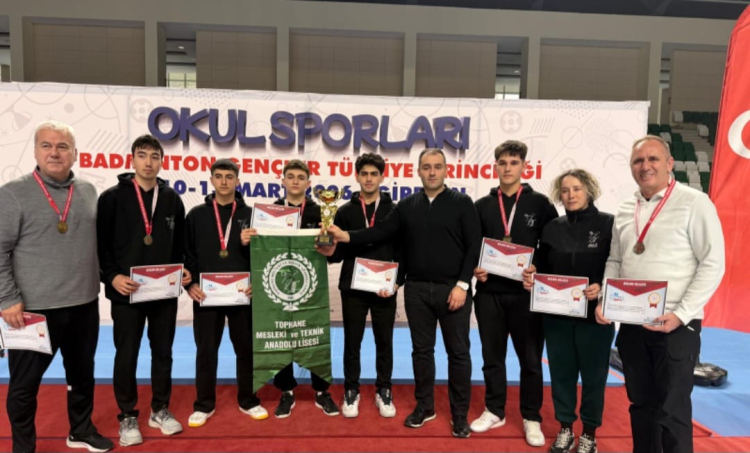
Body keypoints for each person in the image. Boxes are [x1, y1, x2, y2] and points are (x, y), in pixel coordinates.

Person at [326, 148, 482, 438]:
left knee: (458, 353)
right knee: (422, 352)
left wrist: (463, 284)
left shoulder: (462, 203)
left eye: (437, 166)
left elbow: (474, 245)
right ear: (418, 171)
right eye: (426, 167)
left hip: (453, 290)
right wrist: (347, 236)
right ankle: (425, 407)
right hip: (417, 289)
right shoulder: (407, 205)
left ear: (446, 170)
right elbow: (381, 232)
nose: (432, 172)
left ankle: (459, 414)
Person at [596, 136, 725, 453]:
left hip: (676, 325)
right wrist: (606, 300)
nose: (645, 166)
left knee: (672, 411)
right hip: (632, 323)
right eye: (638, 161)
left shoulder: (695, 203)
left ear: (669, 164)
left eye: (653, 159)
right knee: (641, 405)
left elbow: (713, 263)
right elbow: (615, 260)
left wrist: (681, 314)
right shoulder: (626, 208)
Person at [0, 121, 115, 453]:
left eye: (62, 146)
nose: (55, 152)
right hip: (32, 311)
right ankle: (23, 447)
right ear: (36, 151)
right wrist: (6, 298)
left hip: (83, 305)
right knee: (24, 386)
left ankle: (81, 430)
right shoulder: (13, 193)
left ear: (75, 153)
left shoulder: (89, 192)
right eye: (47, 145)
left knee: (82, 376)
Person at [97, 134, 191, 447]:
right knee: (127, 354)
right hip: (127, 291)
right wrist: (111, 276)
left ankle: (159, 409)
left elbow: (180, 244)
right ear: (132, 159)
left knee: (163, 352)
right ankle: (127, 415)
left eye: (154, 156)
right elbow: (100, 246)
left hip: (163, 293)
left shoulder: (172, 198)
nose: (148, 162)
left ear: (162, 161)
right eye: (142, 155)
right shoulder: (112, 197)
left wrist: (182, 268)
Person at [470, 140, 558, 447]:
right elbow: (473, 246)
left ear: (524, 166)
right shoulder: (482, 205)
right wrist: (476, 267)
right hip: (489, 294)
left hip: (526, 296)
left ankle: (531, 416)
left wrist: (538, 268)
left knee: (531, 360)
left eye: (514, 162)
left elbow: (552, 247)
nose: (508, 168)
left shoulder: (541, 204)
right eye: (503, 163)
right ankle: (495, 410)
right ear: (495, 166)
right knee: (492, 357)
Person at [521, 169, 614, 453]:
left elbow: (618, 265)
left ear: (589, 190)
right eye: (565, 190)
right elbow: (541, 266)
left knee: (594, 378)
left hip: (594, 317)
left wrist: (602, 287)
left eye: (576, 189)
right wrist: (532, 276)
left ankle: (589, 434)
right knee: (561, 375)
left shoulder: (609, 224)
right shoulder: (552, 227)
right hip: (556, 317)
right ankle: (565, 428)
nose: (570, 195)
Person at [184, 159, 268, 427]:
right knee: (206, 350)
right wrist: (189, 284)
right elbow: (187, 253)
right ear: (211, 180)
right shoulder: (196, 215)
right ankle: (203, 404)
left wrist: (258, 280)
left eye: (229, 176)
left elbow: (264, 254)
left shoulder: (253, 215)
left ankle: (249, 400)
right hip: (206, 294)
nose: (223, 181)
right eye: (218, 176)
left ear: (237, 181)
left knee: (246, 349)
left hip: (243, 294)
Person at [320, 153, 402, 418]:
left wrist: (398, 282)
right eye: (364, 173)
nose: (369, 179)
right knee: (352, 342)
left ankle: (383, 389)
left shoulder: (394, 210)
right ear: (356, 176)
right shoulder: (344, 211)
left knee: (384, 341)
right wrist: (329, 252)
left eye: (374, 174)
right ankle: (351, 390)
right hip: (353, 287)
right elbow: (339, 253)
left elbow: (402, 249)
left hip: (384, 287)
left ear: (382, 177)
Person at [271, 159, 340, 418]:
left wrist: (330, 247)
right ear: (283, 180)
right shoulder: (272, 211)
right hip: (278, 284)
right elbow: (262, 249)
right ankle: (286, 391)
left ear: (309, 183)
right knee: (281, 337)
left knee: (315, 337)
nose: (295, 181)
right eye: (291, 176)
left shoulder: (321, 211)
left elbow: (332, 254)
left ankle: (322, 391)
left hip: (312, 285)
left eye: (301, 177)